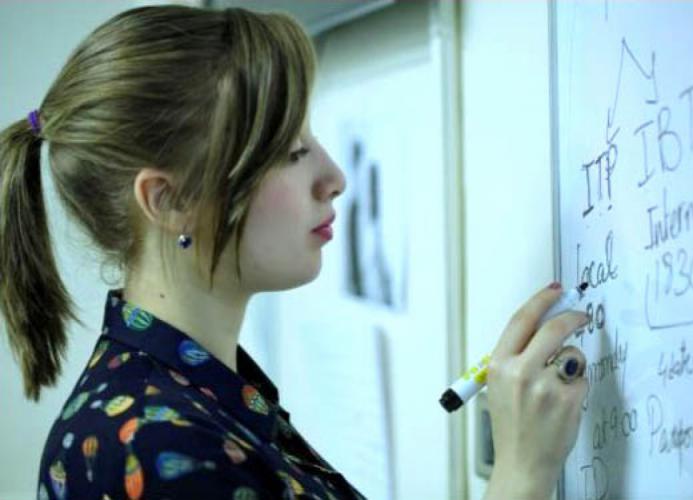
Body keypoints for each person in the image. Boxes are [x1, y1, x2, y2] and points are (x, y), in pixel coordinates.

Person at [0, 4, 588, 500]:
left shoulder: (189, 398)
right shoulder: (162, 450)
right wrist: (521, 474)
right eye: (289, 151)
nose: (333, 176)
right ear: (171, 200)